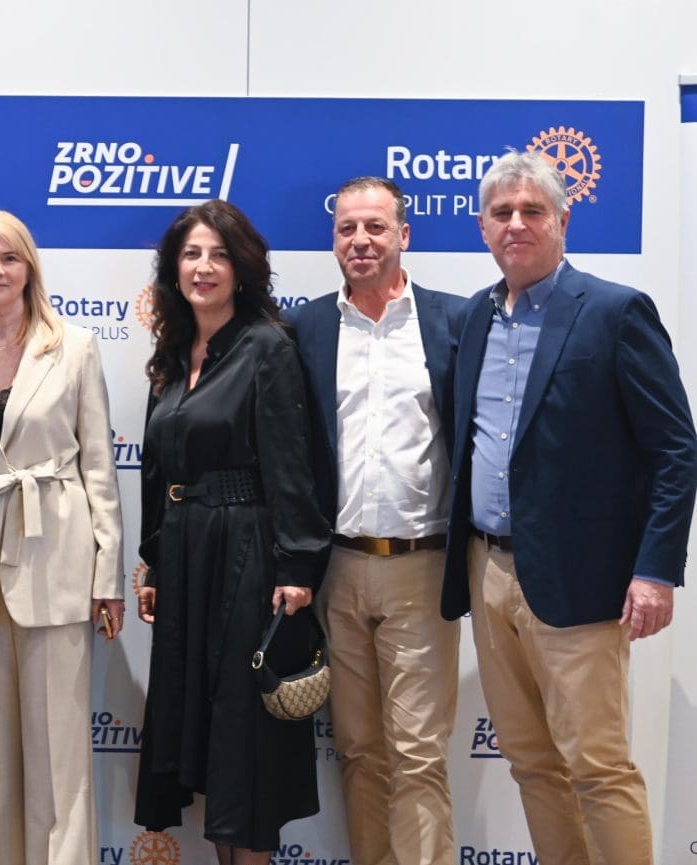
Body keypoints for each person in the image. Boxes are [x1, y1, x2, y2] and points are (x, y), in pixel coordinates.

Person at [443, 151, 697, 864]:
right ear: (482, 227)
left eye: (533, 210)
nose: (516, 224)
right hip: (487, 571)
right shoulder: (474, 317)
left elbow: (675, 450)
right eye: (501, 212)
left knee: (598, 767)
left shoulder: (615, 312)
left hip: (582, 579)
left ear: (563, 219)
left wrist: (655, 571)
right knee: (531, 761)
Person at [0, 210, 124, 865]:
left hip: (58, 561)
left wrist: (108, 576)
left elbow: (100, 467)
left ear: (29, 267)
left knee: (60, 757)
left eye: (8, 258)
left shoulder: (75, 346)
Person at [135, 199, 329, 864]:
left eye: (219, 254)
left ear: (242, 268)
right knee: (210, 748)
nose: (204, 266)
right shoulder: (171, 354)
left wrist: (296, 569)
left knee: (246, 744)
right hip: (187, 558)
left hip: (248, 558)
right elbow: (159, 471)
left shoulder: (267, 346)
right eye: (191, 254)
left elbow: (291, 465)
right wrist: (155, 562)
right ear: (174, 268)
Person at [285, 177, 462, 865]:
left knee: (418, 754)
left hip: (421, 567)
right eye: (346, 229)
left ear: (404, 235)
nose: (360, 240)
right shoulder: (307, 328)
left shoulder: (453, 322)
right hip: (337, 569)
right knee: (359, 749)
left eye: (375, 227)